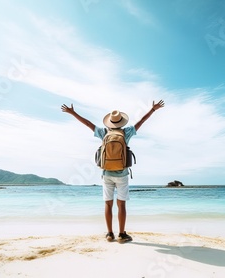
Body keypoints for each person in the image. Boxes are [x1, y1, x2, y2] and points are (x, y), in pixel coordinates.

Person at [61, 100, 165, 243]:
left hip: (106, 174)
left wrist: (72, 113)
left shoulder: (103, 132)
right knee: (121, 205)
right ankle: (122, 235)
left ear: (109, 123)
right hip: (122, 174)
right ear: (121, 122)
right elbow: (141, 122)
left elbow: (87, 123)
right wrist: (153, 110)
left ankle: (110, 234)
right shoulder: (126, 132)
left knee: (108, 204)